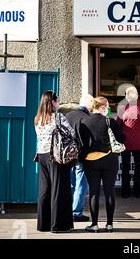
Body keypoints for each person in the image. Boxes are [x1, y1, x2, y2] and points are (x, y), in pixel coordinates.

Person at [79, 96, 126, 232]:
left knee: (94, 192)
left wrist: (83, 158)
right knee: (109, 192)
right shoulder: (110, 121)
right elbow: (122, 138)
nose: (109, 109)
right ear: (103, 107)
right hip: (110, 160)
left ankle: (94, 225)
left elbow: (82, 144)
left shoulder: (84, 121)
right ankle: (109, 224)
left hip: (91, 162)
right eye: (108, 107)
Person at [34, 90, 74, 233]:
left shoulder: (38, 118)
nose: (59, 103)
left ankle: (43, 224)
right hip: (55, 157)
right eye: (57, 101)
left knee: (44, 190)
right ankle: (57, 225)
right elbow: (71, 133)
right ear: (52, 102)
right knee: (58, 190)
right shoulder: (58, 117)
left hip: (41, 155)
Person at [117, 86, 140, 198]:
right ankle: (139, 192)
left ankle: (125, 193)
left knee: (125, 167)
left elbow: (118, 125)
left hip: (126, 142)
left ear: (127, 97)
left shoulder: (123, 109)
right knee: (138, 167)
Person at [65, 94, 93, 222]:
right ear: (88, 105)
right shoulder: (87, 118)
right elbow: (87, 141)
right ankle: (76, 213)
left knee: (70, 184)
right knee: (81, 185)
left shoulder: (68, 115)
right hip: (81, 157)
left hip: (68, 155)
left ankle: (67, 210)